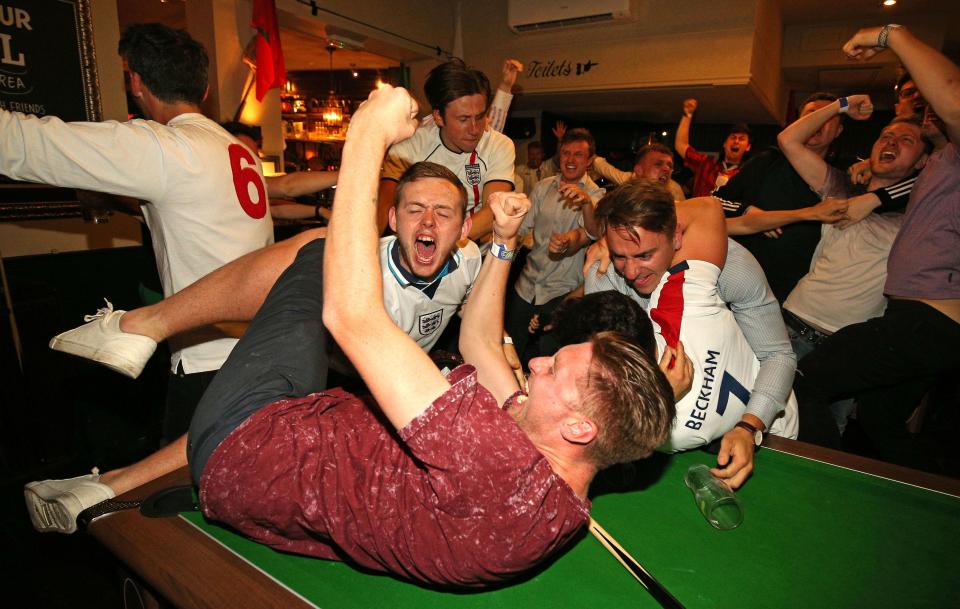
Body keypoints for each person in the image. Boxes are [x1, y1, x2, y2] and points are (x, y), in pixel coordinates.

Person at [28, 87, 676, 588]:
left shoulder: (493, 458)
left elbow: (350, 315)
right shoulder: (558, 494)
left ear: (583, 427)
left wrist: (366, 134)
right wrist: (503, 242)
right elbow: (481, 344)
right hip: (296, 450)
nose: (533, 363)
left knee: (314, 254)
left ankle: (140, 325)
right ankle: (107, 477)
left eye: (554, 369)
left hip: (248, 442)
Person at [0, 23, 274, 439]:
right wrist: (118, 201)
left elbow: (22, 143)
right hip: (262, 349)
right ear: (202, 90)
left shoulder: (165, 147)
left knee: (182, 489)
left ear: (136, 82)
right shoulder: (234, 149)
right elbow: (192, 211)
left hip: (210, 362)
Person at [793, 24, 960, 471]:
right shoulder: (932, 170)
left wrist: (894, 35)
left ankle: (823, 479)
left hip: (929, 320)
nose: (920, 105)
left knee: (803, 381)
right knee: (883, 423)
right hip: (915, 319)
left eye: (908, 138)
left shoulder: (952, 157)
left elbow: (953, 99)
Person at [586, 181, 797, 488]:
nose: (631, 272)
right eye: (620, 255)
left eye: (644, 254)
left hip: (760, 423)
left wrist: (749, 428)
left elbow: (778, 355)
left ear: (676, 235)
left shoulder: (731, 268)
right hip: (668, 433)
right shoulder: (606, 279)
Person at [714, 93, 845, 302]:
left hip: (795, 298)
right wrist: (747, 211)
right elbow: (714, 201)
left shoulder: (840, 182)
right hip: (738, 284)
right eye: (812, 114)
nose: (818, 121)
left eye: (827, 116)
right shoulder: (768, 162)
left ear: (838, 131)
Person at [378, 59, 516, 242]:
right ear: (438, 117)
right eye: (463, 119)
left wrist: (442, 246)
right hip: (418, 248)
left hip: (472, 252)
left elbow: (494, 209)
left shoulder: (499, 145)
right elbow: (384, 201)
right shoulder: (410, 145)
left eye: (480, 116)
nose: (475, 129)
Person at [505, 128, 604, 362]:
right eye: (566, 153)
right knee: (510, 351)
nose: (570, 160)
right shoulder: (542, 187)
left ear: (589, 160)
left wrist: (587, 204)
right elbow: (521, 228)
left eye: (578, 154)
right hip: (526, 285)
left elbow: (592, 231)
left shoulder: (596, 194)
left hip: (561, 293)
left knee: (551, 359)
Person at [674, 98, 751, 196]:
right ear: (724, 144)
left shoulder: (746, 175)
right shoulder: (706, 164)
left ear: (748, 147)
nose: (736, 141)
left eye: (741, 139)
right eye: (733, 137)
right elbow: (680, 145)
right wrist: (687, 115)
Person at [592, 142, 686, 201]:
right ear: (639, 171)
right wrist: (593, 158)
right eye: (658, 164)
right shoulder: (629, 184)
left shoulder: (676, 191)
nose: (666, 169)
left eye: (670, 165)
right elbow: (609, 171)